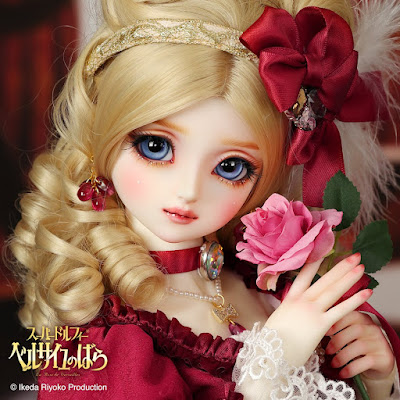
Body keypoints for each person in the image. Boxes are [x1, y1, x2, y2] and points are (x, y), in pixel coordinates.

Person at [8, 0, 400, 398]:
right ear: (102, 136)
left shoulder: (262, 284)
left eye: (231, 167)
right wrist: (270, 371)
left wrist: (377, 379)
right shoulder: (107, 345)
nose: (189, 190)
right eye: (155, 146)